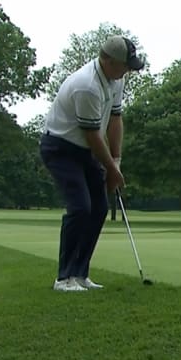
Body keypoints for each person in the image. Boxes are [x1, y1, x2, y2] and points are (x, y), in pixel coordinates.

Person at [40, 35, 144, 292]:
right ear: (106, 60)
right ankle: (64, 278)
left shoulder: (115, 79)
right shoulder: (86, 86)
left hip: (85, 149)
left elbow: (115, 120)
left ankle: (80, 274)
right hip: (61, 147)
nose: (127, 71)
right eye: (124, 65)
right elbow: (93, 136)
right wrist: (110, 169)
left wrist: (116, 162)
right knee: (80, 208)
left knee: (98, 208)